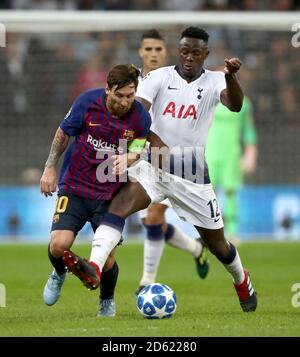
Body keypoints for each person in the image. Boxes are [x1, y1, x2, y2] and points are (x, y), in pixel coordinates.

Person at [64, 27, 258, 313]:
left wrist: (230, 76)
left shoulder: (217, 80)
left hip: (190, 172)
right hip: (151, 165)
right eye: (184, 51)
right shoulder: (158, 78)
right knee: (116, 207)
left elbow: (236, 104)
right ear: (178, 51)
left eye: (195, 52)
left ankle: (241, 280)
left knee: (217, 244)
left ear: (206, 54)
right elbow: (138, 110)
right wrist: (134, 149)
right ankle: (93, 267)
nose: (189, 57)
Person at [40, 64, 152, 317]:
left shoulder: (141, 118)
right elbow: (63, 134)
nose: (125, 102)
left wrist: (129, 159)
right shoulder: (86, 103)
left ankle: (106, 299)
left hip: (110, 196)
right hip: (75, 187)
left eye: (130, 95)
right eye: (120, 95)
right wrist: (49, 168)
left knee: (107, 259)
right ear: (107, 89)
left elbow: (137, 149)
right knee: (59, 245)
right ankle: (59, 273)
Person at [136, 29, 209, 294]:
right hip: (137, 156)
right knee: (151, 223)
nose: (154, 54)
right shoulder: (132, 80)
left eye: (158, 49)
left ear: (166, 52)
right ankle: (195, 247)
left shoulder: (173, 77)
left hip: (172, 160)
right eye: (148, 50)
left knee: (155, 215)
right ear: (140, 52)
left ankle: (147, 281)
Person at [206, 96, 258, 243]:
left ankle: (232, 233)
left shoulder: (244, 102)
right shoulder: (209, 98)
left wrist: (251, 153)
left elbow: (248, 129)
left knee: (231, 191)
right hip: (209, 152)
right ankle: (210, 231)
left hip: (232, 154)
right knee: (208, 192)